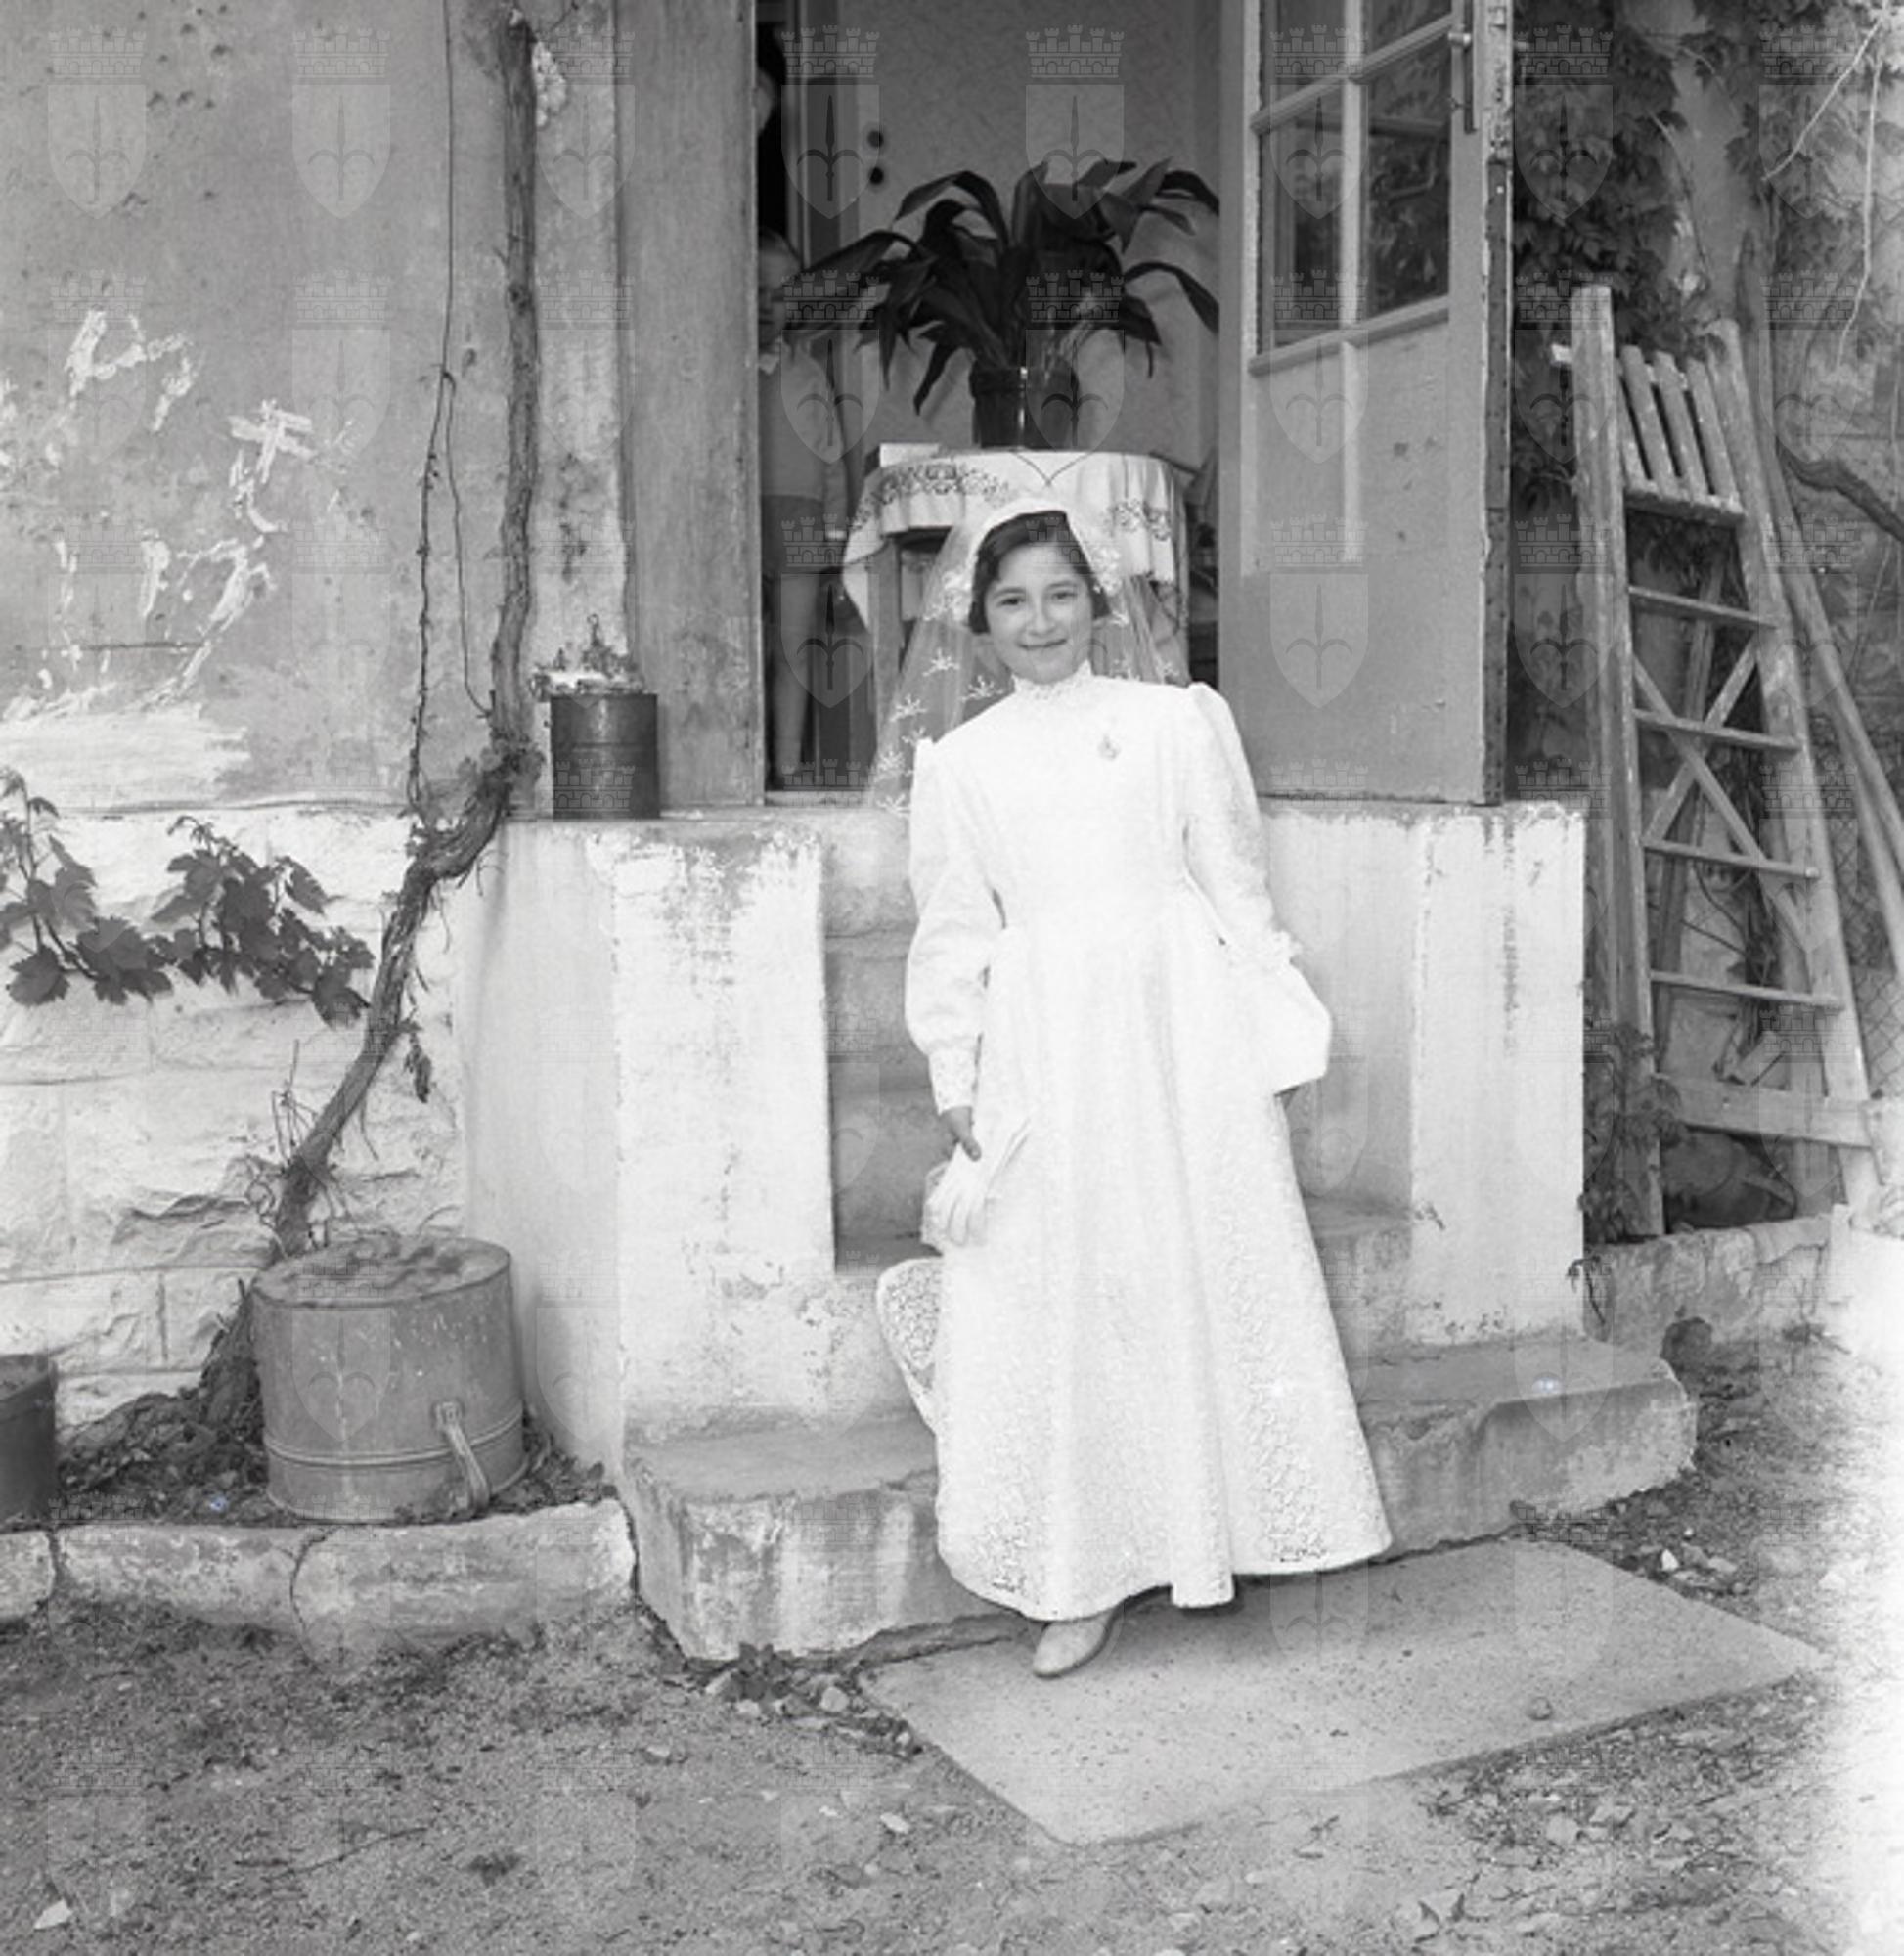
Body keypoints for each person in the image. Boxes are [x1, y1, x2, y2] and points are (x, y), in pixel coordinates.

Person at [884, 497, 1391, 1679]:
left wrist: (1269, 1037)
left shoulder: (1173, 723)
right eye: (1013, 601)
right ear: (980, 622)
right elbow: (952, 927)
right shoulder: (962, 762)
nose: (1040, 620)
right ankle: (1082, 1570)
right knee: (1072, 1280)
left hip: (1178, 1030)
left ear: (1098, 603)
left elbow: (1235, 887)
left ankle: (1211, 1531)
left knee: (1186, 1263)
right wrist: (957, 1070)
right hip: (1045, 1036)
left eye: (1061, 593)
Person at [758, 229, 848, 786]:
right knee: (745, 646)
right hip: (740, 522)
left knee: (794, 648)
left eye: (779, 294)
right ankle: (743, 764)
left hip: (802, 523)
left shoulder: (810, 373)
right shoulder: (718, 374)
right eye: (755, 291)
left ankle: (788, 765)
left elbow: (832, 457)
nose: (767, 306)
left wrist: (836, 538)